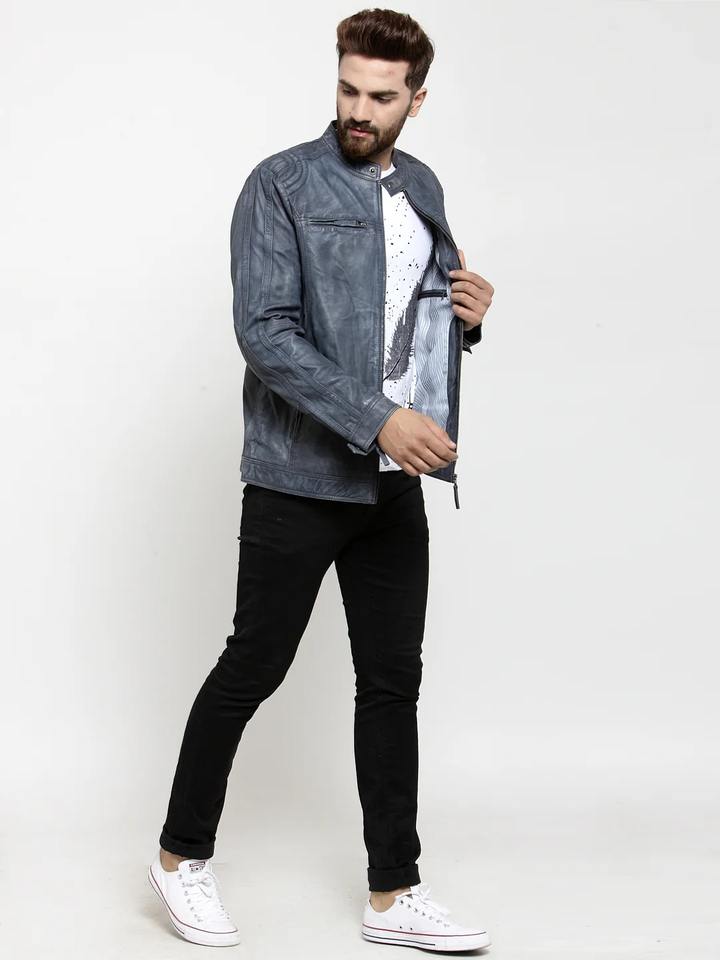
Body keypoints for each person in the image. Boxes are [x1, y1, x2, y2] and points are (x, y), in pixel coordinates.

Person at [148, 8, 494, 951]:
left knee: (391, 683)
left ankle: (393, 893)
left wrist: (468, 317)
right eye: (348, 88)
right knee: (253, 666)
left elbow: (412, 319)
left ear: (416, 100)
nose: (359, 109)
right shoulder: (281, 184)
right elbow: (266, 334)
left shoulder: (422, 186)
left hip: (392, 483)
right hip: (298, 478)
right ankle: (180, 859)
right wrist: (377, 417)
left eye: (381, 96)